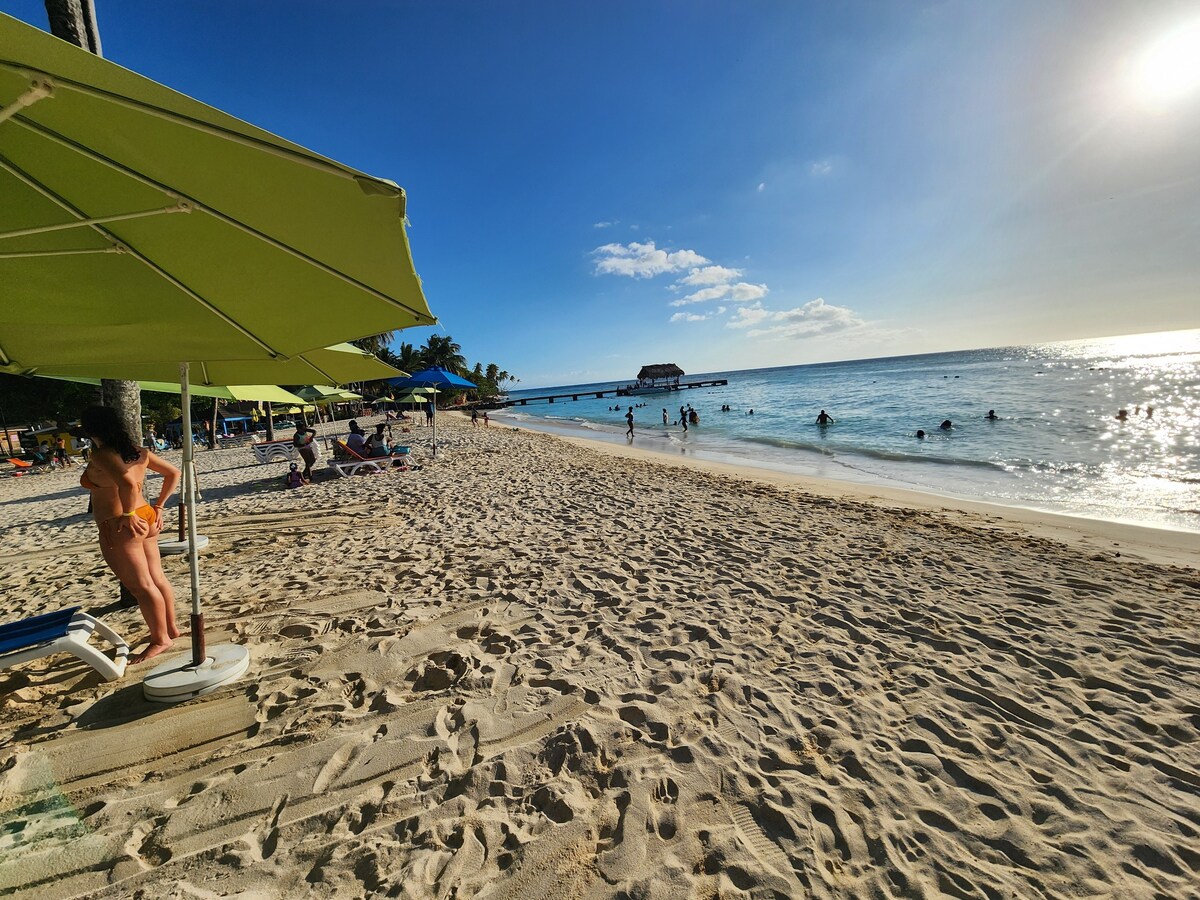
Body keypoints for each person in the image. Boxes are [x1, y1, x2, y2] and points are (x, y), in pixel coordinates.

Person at [77, 406, 181, 664]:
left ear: (90, 429)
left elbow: (126, 483)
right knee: (156, 578)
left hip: (121, 523)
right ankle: (171, 628)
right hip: (145, 515)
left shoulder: (102, 455)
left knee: (141, 586)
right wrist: (158, 506)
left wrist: (127, 514)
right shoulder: (139, 451)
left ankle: (160, 639)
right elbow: (173, 473)